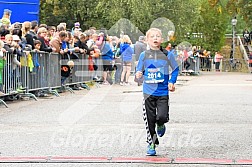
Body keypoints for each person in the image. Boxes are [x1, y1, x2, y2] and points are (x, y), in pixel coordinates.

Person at [135, 28, 179, 156]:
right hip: (148, 92)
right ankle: (152, 144)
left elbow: (175, 69)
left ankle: (161, 124)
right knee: (149, 120)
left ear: (162, 40)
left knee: (162, 116)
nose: (155, 38)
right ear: (147, 40)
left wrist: (172, 81)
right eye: (152, 36)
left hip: (162, 91)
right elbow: (139, 71)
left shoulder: (167, 54)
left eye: (158, 36)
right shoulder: (144, 55)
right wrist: (138, 74)